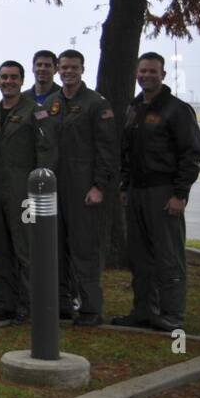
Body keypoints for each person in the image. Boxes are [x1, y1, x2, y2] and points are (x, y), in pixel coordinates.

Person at [113, 53, 200, 332]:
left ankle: (173, 314)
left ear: (163, 75)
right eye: (142, 71)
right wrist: (125, 186)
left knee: (168, 256)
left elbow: (191, 153)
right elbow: (126, 152)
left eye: (153, 71)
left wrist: (180, 193)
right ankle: (144, 310)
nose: (146, 76)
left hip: (164, 191)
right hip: (137, 192)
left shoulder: (177, 110)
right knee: (139, 256)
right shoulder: (134, 108)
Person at [0, 61, 54, 323]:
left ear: (22, 81)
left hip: (24, 191)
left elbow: (45, 152)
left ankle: (30, 305)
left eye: (13, 77)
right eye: (4, 77)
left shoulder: (35, 111)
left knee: (26, 251)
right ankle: (3, 303)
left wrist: (39, 190)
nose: (8, 82)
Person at [50, 49, 117, 326]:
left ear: (82, 69)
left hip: (83, 187)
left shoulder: (96, 104)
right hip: (56, 186)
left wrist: (99, 186)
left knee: (84, 249)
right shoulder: (51, 104)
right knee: (56, 247)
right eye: (64, 67)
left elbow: (108, 150)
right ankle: (62, 303)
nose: (68, 72)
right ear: (58, 69)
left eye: (74, 67)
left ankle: (91, 308)